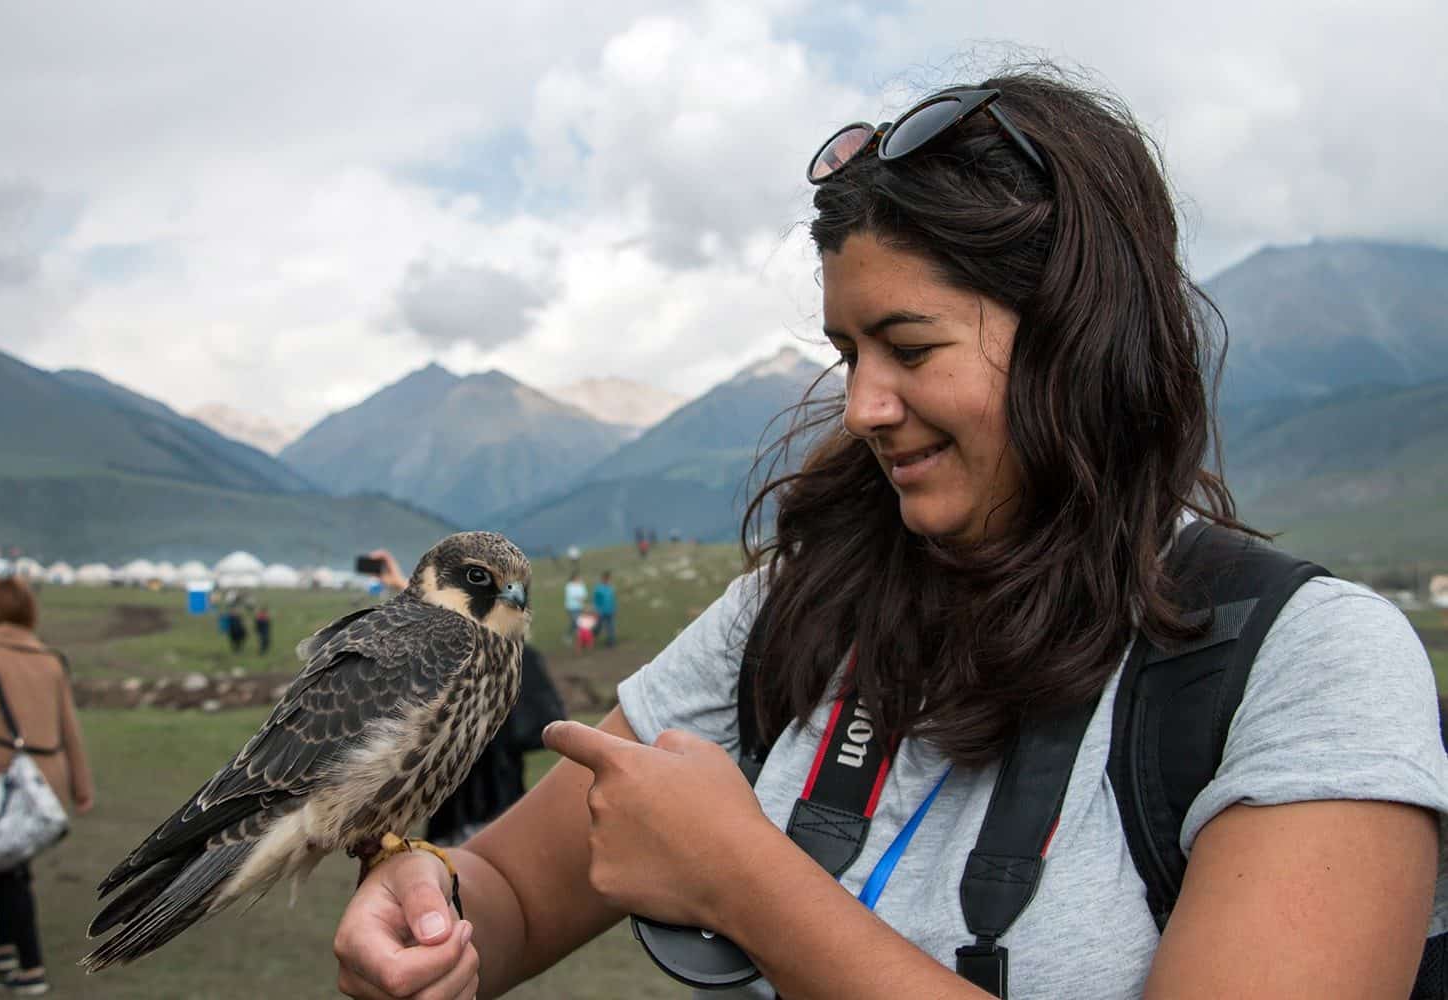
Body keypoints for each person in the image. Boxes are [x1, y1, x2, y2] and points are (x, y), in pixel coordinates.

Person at [333, 70, 1448, 1000]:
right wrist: (434, 910)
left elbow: (740, 882)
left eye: (910, 349)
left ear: (1078, 338)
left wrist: (746, 882)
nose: (863, 406)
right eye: (846, 352)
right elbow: (517, 894)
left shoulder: (1310, 666)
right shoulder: (794, 610)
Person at [0, 578, 95, 996]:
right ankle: (4, 950)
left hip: (0, 782)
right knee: (8, 862)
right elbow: (71, 729)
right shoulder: (50, 659)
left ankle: (30, 968)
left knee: (11, 870)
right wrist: (82, 787)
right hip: (46, 782)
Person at [425, 644, 566, 846]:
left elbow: (543, 727)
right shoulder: (518, 656)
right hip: (461, 807)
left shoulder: (517, 657)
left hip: (494, 797)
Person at [592, 571, 617, 647]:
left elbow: (612, 599)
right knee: (598, 626)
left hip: (610, 611)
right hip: (601, 611)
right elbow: (595, 600)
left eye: (609, 579)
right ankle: (592, 636)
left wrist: (614, 608)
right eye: (607, 579)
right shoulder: (598, 588)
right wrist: (596, 610)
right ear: (603, 579)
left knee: (610, 627)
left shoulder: (610, 588)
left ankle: (611, 642)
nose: (608, 580)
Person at [562, 572, 587, 645]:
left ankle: (568, 635)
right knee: (577, 622)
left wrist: (583, 602)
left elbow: (584, 595)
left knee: (574, 623)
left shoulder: (581, 585)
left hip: (580, 607)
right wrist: (580, 599)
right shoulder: (569, 586)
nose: (579, 579)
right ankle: (579, 638)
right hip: (571, 607)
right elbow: (573, 596)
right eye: (578, 577)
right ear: (574, 578)